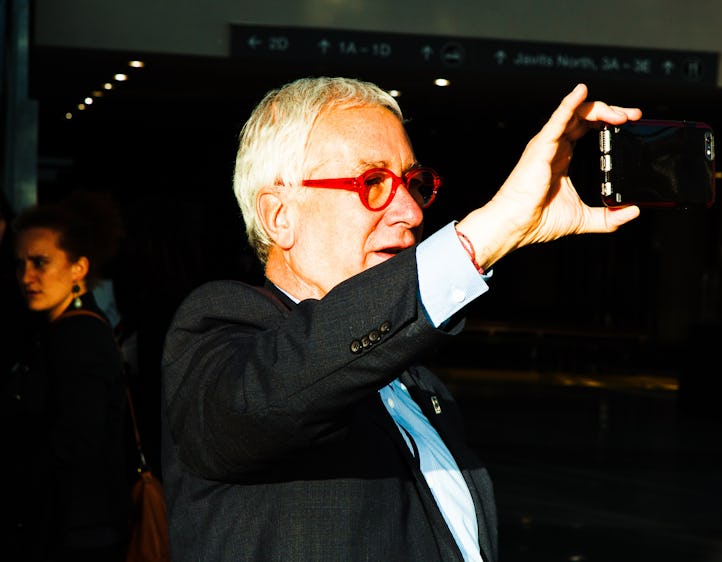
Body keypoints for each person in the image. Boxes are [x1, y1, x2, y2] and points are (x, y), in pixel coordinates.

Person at [161, 77, 641, 561]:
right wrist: (493, 229)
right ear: (279, 215)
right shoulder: (222, 331)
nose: (410, 211)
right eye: (372, 182)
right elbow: (264, 399)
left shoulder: (418, 386)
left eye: (412, 184)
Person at [2, 190, 131, 561]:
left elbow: (78, 440)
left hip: (74, 529)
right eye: (19, 263)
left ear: (79, 268)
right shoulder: (57, 330)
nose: (26, 276)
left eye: (40, 262)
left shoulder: (78, 335)